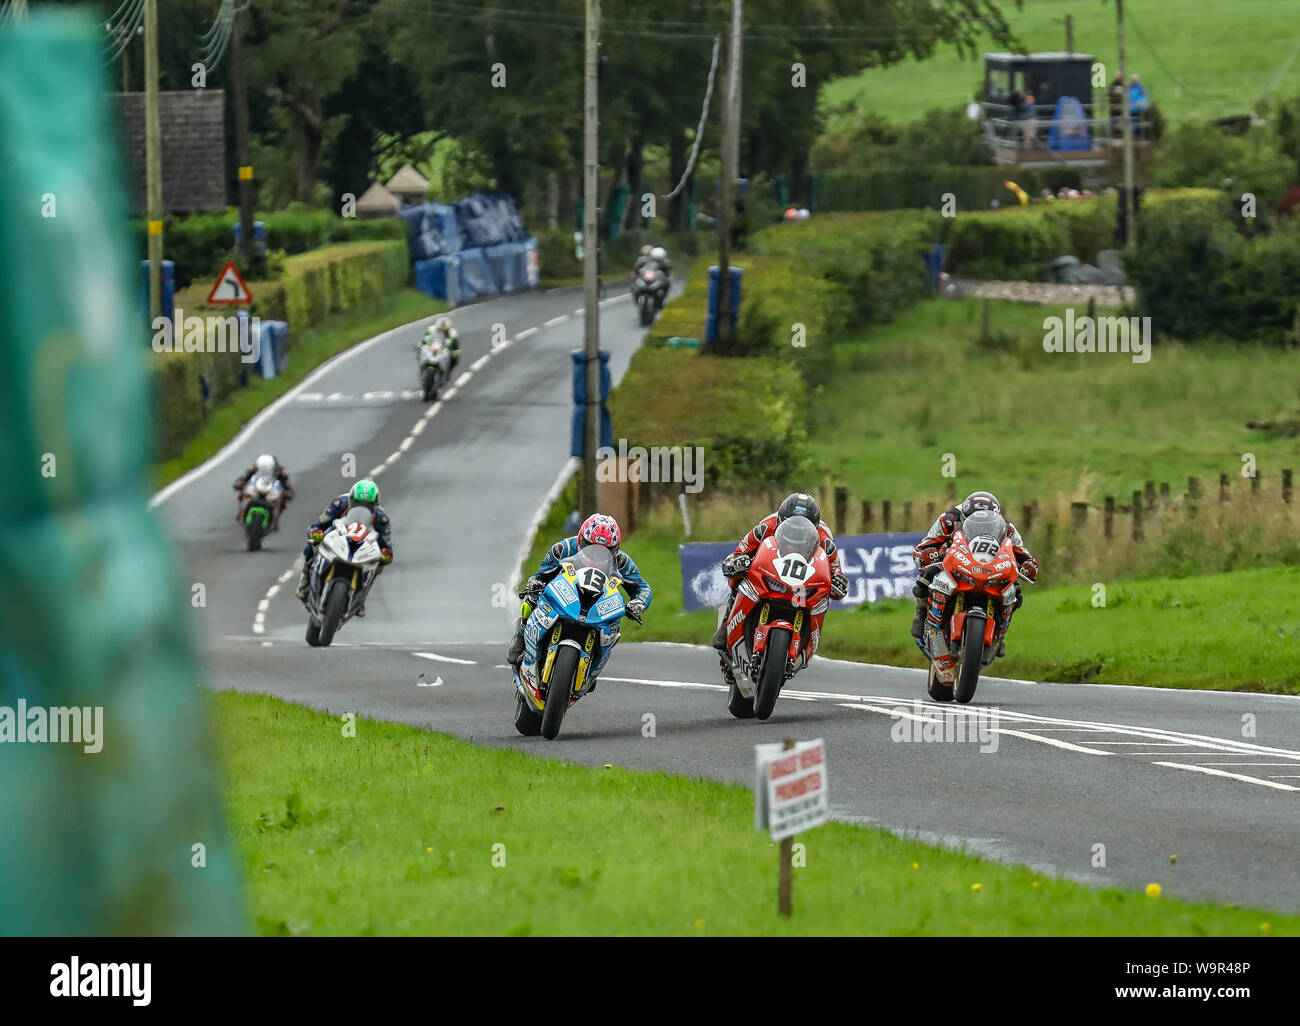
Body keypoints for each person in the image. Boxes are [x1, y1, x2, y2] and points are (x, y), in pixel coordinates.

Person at [710, 493, 849, 674]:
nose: (798, 532)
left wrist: (838, 582)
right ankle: (726, 627)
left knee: (823, 598)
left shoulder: (826, 542)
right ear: (781, 520)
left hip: (801, 582)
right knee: (738, 577)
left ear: (814, 527)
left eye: (804, 528)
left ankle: (804, 644)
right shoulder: (764, 527)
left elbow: (837, 573)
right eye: (791, 526)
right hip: (768, 568)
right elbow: (738, 552)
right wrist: (738, 562)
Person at [506, 513, 652, 672]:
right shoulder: (562, 549)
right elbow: (540, 575)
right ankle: (522, 634)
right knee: (532, 595)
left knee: (614, 626)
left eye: (605, 551)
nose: (596, 555)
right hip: (564, 595)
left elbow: (643, 588)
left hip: (597, 603)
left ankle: (594, 666)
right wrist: (536, 583)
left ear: (615, 548)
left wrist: (638, 603)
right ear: (580, 540)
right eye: (590, 547)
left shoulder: (622, 562)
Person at [909, 491, 1038, 654]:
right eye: (975, 523)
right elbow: (923, 547)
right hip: (953, 561)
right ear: (964, 516)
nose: (980, 527)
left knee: (1015, 590)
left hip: (990, 566)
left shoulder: (1006, 528)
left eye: (985, 525)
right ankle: (921, 613)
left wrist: (1029, 564)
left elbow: (1022, 554)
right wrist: (929, 554)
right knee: (925, 577)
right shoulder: (948, 520)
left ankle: (999, 634)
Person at [295, 479, 393, 616]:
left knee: (377, 565)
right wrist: (316, 532)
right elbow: (321, 522)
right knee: (311, 545)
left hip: (362, 546)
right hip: (338, 535)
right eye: (358, 503)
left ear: (375, 505)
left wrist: (386, 555)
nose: (363, 507)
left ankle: (361, 598)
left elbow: (387, 544)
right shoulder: (339, 503)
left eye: (368, 505)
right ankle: (305, 581)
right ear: (351, 499)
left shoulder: (382, 519)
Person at [233, 453, 294, 528]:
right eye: (261, 467)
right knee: (242, 493)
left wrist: (287, 493)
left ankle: (276, 519)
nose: (264, 469)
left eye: (267, 467)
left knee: (283, 501)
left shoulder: (280, 471)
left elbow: (287, 485)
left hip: (271, 490)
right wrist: (239, 484)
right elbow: (243, 478)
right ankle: (241, 512)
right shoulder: (253, 468)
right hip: (256, 488)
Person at [1128, 74, 1149, 139]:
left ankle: (1138, 136)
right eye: (1133, 80)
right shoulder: (1129, 87)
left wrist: (1140, 101)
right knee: (1131, 123)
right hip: (1131, 109)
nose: (1134, 81)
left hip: (1138, 109)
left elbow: (1143, 97)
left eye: (1135, 80)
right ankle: (1133, 136)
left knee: (1138, 123)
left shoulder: (1140, 87)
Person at [1108, 72, 1124, 138]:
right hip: (1114, 108)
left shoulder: (1123, 86)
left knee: (1121, 122)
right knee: (1114, 122)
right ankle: (1114, 136)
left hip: (1121, 108)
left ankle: (1121, 135)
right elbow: (1110, 94)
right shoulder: (1112, 85)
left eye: (1118, 77)